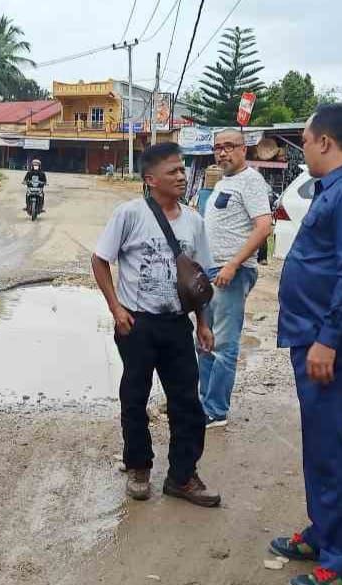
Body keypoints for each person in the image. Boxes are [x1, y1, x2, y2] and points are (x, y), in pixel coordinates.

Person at [273, 104, 342, 585]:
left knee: (337, 448)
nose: (303, 148)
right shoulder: (336, 188)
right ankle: (326, 533)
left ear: (324, 141)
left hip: (334, 345)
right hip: (315, 335)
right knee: (320, 444)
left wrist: (328, 339)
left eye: (304, 139)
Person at [91, 141, 222, 508]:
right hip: (137, 324)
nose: (182, 176)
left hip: (177, 324)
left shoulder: (194, 222)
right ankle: (138, 467)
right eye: (173, 171)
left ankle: (182, 476)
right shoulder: (129, 214)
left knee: (187, 403)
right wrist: (116, 309)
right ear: (151, 179)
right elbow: (100, 260)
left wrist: (203, 324)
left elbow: (199, 278)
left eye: (182, 170)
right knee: (135, 397)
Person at [198, 129, 273, 428]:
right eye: (218, 147)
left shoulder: (251, 181)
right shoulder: (223, 181)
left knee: (223, 344)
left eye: (229, 146)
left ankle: (216, 410)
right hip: (210, 271)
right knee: (204, 341)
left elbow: (264, 226)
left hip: (231, 273)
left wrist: (233, 264)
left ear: (244, 149)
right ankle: (204, 403)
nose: (222, 152)